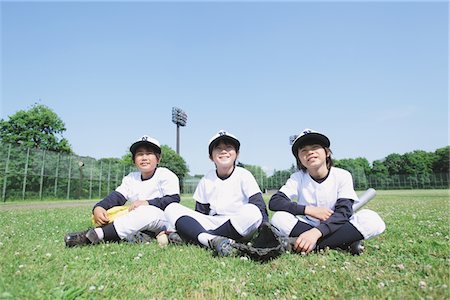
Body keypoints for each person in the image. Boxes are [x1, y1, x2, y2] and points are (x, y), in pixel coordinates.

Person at [269, 129, 385, 255]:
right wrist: (309, 210)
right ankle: (342, 243)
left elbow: (343, 212)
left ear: (327, 152)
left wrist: (315, 233)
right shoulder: (297, 177)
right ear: (299, 159)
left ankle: (299, 243)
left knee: (371, 219)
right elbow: (275, 202)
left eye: (315, 147)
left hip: (338, 224)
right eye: (304, 150)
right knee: (279, 219)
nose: (310, 152)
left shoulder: (342, 175)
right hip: (309, 224)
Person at [164, 130, 268, 256]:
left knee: (253, 212)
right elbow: (200, 212)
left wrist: (265, 233)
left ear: (237, 153)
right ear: (211, 156)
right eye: (218, 148)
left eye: (229, 147)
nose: (223, 151)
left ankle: (201, 238)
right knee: (171, 208)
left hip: (238, 224)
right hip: (214, 222)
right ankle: (212, 240)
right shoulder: (206, 179)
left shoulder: (244, 175)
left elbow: (259, 207)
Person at [65, 135, 180, 247]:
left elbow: (173, 200)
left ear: (158, 159)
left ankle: (94, 235)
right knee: (119, 214)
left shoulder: (165, 174)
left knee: (147, 211)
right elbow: (117, 197)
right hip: (137, 218)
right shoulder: (131, 177)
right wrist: (99, 207)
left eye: (149, 153)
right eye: (140, 154)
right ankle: (143, 236)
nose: (144, 157)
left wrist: (147, 203)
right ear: (134, 160)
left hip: (162, 219)